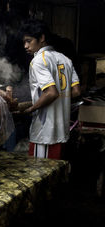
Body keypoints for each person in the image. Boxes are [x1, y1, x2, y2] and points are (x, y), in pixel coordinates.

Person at [20, 19, 81, 159]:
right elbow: (77, 91)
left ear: (42, 38)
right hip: (62, 129)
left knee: (39, 173)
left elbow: (51, 93)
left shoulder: (38, 60)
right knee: (55, 172)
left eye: (29, 41)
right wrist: (61, 98)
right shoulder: (65, 59)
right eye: (24, 42)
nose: (25, 46)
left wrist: (32, 108)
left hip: (44, 132)